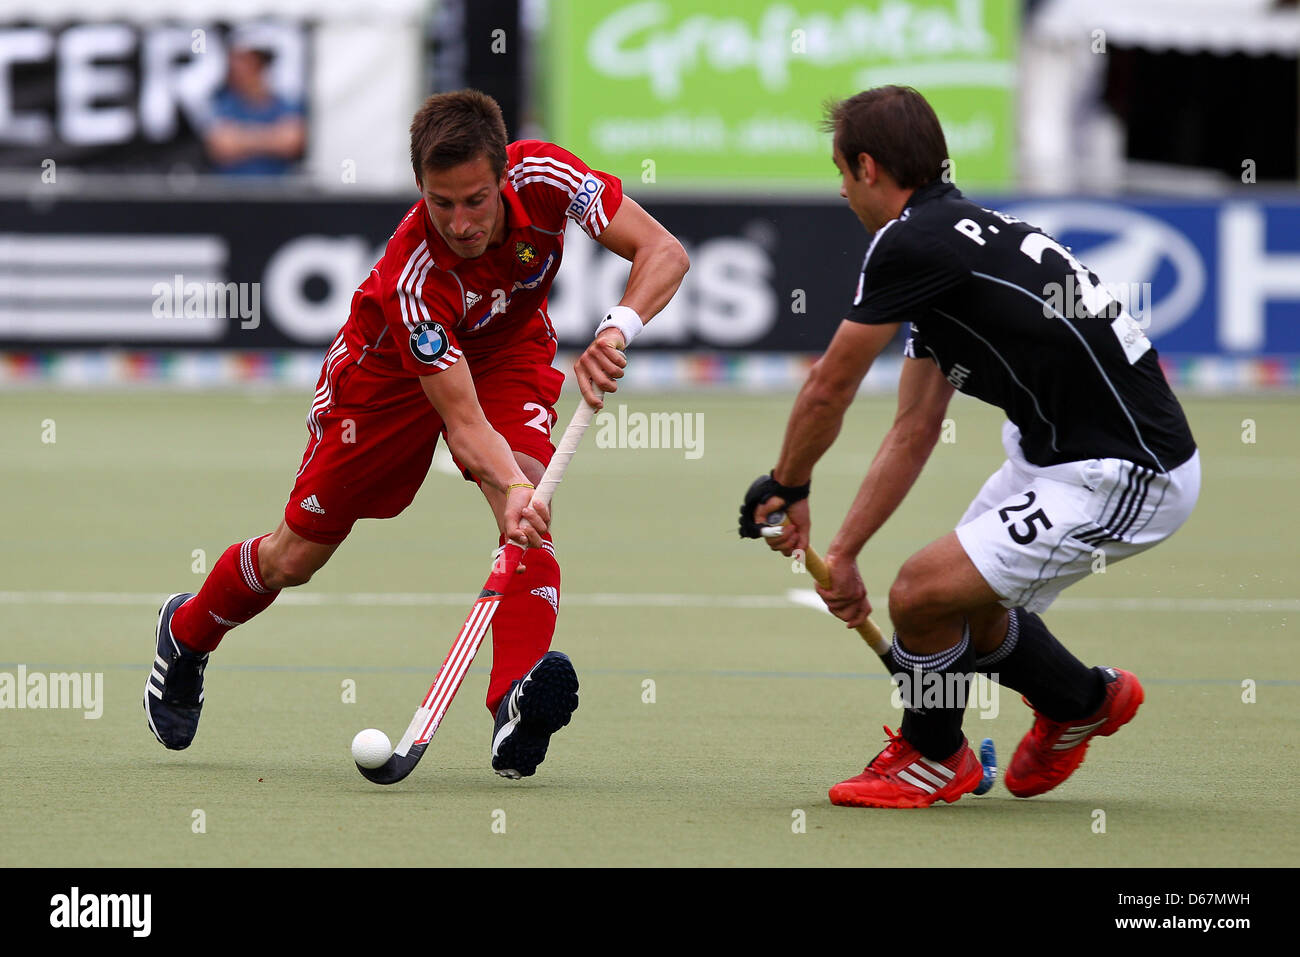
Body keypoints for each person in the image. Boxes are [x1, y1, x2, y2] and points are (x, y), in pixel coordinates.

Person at [147, 89, 690, 779]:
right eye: (441, 203)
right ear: (419, 189)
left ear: (503, 175)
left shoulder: (546, 176)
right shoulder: (416, 278)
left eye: (476, 200)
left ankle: (512, 702)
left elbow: (663, 251)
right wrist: (516, 483)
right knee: (295, 556)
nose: (461, 222)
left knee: (525, 525)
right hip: (385, 380)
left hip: (507, 347)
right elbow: (463, 428)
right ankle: (188, 631)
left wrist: (618, 327)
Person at [738, 85, 1199, 808]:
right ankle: (1084, 701)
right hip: (1054, 454)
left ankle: (931, 757)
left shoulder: (909, 242)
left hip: (1127, 469)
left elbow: (830, 384)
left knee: (921, 594)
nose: (840, 193)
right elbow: (914, 428)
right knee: (965, 604)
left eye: (840, 172)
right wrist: (847, 550)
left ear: (866, 166)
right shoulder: (954, 243)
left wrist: (787, 484)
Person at [204, 40, 305, 176]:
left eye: (242, 61)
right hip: (231, 192)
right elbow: (220, 146)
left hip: (277, 192)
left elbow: (292, 142)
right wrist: (273, 137)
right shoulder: (223, 102)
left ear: (258, 64)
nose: (234, 68)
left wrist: (241, 139)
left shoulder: (285, 102)